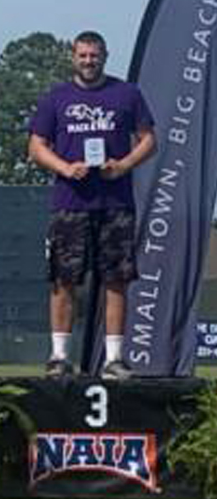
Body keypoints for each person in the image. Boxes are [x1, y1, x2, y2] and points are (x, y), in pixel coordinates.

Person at [28, 30, 156, 380]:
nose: (89, 61)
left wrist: (124, 165)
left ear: (105, 56)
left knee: (117, 280)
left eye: (94, 55)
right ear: (73, 57)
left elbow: (149, 141)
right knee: (63, 280)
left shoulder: (126, 94)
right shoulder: (56, 97)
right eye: (83, 55)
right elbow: (36, 146)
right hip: (70, 203)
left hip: (115, 203)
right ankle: (58, 357)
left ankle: (114, 358)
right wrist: (65, 167)